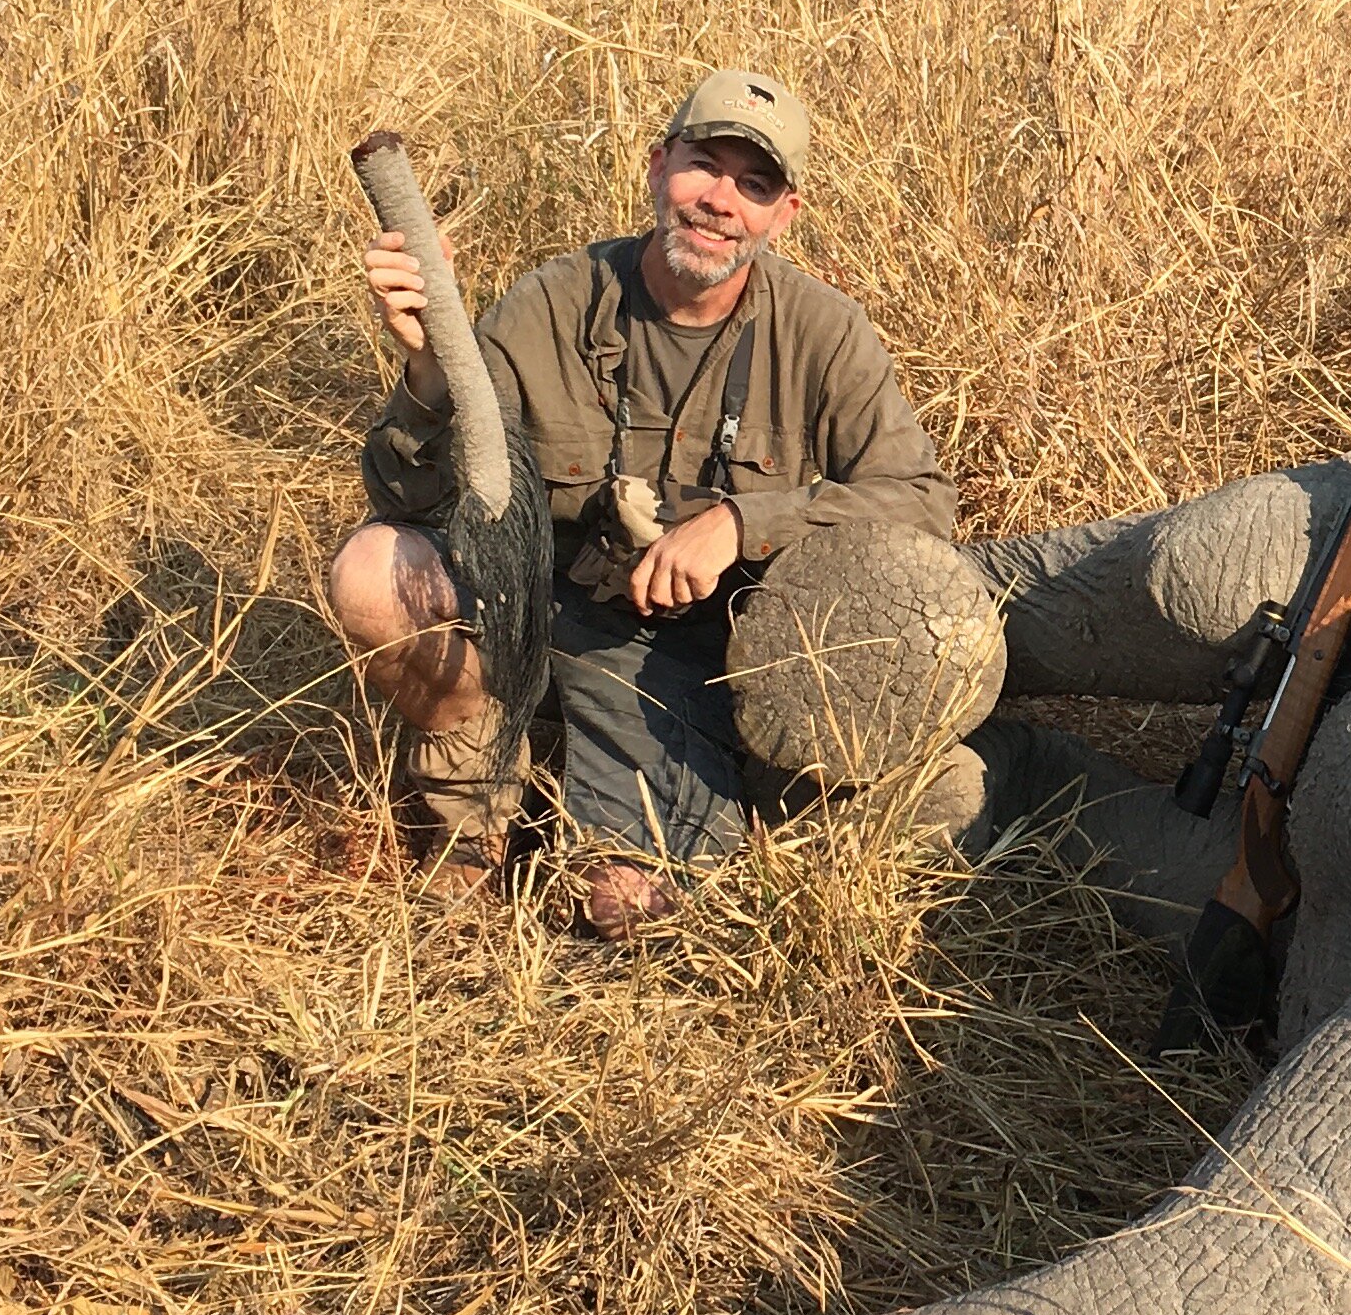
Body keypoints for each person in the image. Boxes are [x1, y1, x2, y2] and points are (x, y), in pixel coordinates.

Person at [326, 68, 955, 937]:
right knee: (373, 572)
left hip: (696, 661)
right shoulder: (555, 300)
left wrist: (742, 523)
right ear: (658, 166)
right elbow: (411, 498)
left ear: (784, 215)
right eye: (703, 164)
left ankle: (643, 802)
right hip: (545, 620)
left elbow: (921, 504)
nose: (720, 200)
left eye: (755, 183)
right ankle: (469, 819)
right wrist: (430, 373)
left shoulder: (825, 333)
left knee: (628, 910)